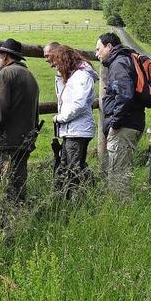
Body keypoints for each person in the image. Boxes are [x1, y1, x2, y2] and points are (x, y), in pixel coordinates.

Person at [95, 32, 145, 196]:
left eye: (98, 49)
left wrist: (114, 123)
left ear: (109, 46)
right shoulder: (125, 60)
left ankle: (120, 211)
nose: (97, 54)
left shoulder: (119, 63)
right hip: (131, 122)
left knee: (118, 174)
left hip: (124, 125)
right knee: (120, 170)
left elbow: (125, 95)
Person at [0, 38, 40, 203]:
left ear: (5, 55)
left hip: (7, 142)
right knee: (19, 186)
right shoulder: (30, 76)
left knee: (3, 187)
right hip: (25, 141)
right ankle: (20, 219)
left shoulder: (5, 74)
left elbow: (0, 110)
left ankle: (6, 223)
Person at [49, 45, 98, 199]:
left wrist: (60, 118)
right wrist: (60, 75)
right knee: (69, 165)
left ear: (65, 60)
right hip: (73, 129)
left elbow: (78, 104)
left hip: (77, 130)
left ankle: (80, 198)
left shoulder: (81, 77)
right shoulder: (75, 76)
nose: (55, 65)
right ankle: (78, 195)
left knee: (73, 168)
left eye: (57, 62)